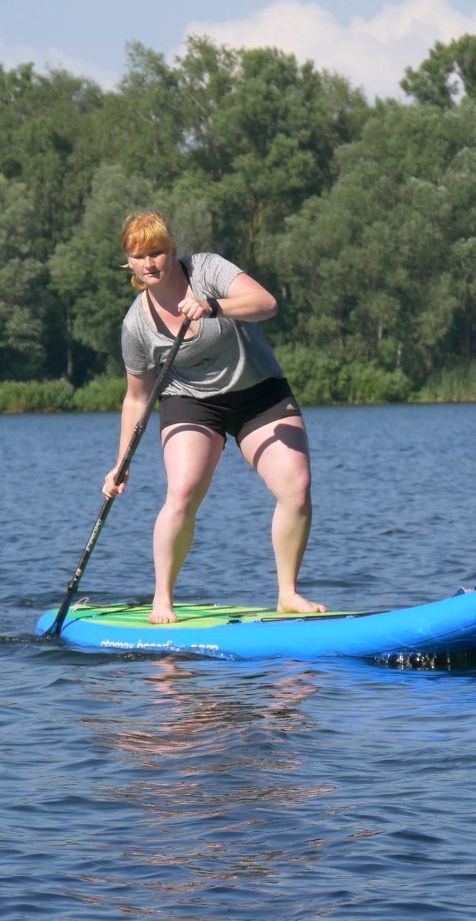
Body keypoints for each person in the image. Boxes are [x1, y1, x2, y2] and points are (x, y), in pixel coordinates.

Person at [104, 211, 326, 624]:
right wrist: (121, 463)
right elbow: (137, 398)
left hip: (258, 392)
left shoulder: (206, 269)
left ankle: (288, 594)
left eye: (157, 252)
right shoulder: (136, 323)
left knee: (297, 485)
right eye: (139, 256)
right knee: (183, 492)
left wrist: (213, 306)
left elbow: (267, 304)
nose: (150, 263)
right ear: (129, 263)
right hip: (191, 402)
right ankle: (162, 599)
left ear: (173, 252)